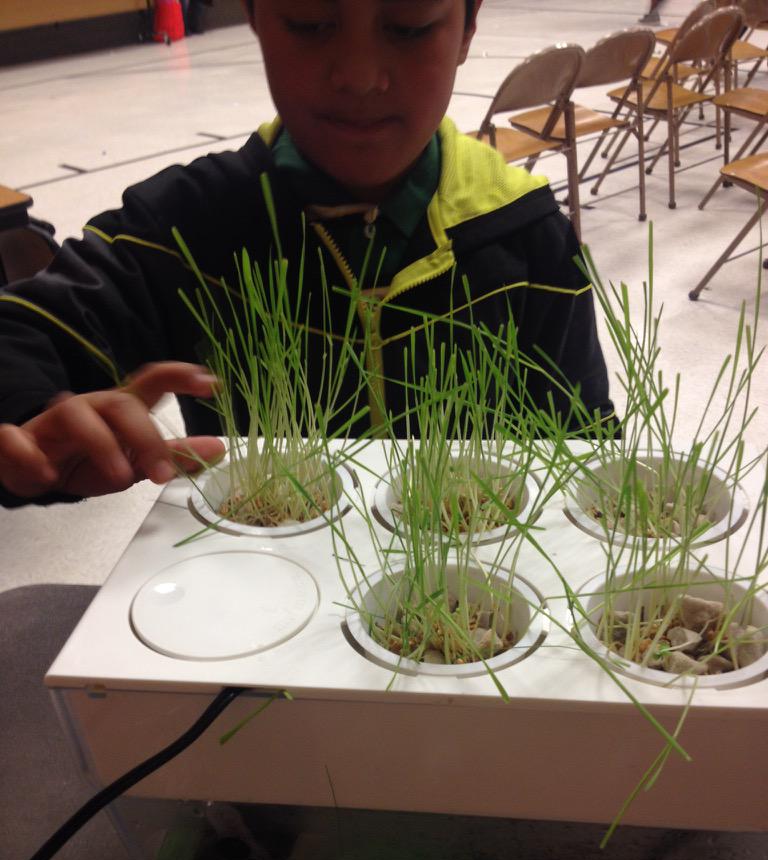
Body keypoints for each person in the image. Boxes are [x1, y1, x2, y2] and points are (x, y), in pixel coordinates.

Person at [0, 0, 613, 508]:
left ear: (468, 26)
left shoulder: (528, 235)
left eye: (410, 26)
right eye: (310, 23)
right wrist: (31, 418)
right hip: (267, 584)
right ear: (254, 16)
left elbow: (585, 443)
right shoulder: (184, 226)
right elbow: (21, 335)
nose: (359, 76)